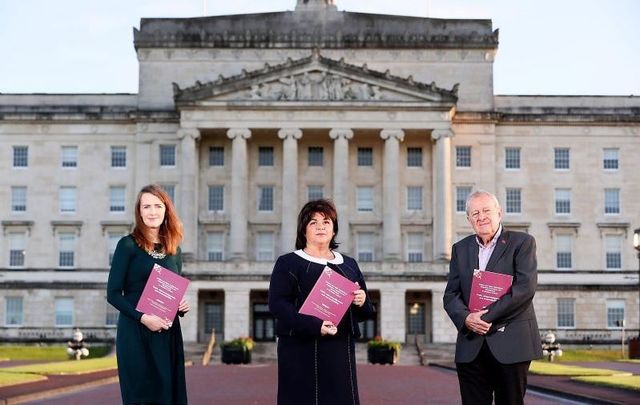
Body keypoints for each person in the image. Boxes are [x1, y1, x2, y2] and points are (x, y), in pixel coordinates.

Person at [269, 199, 376, 405]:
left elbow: (366, 312)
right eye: (313, 222)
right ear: (303, 231)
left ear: (334, 230)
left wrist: (361, 301)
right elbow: (278, 304)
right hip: (299, 350)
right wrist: (315, 325)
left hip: (339, 351)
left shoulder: (349, 264)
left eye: (326, 222)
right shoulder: (288, 263)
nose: (320, 226)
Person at [443, 190, 542, 405]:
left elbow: (524, 289)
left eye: (486, 210)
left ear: (499, 212)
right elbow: (451, 295)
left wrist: (483, 318)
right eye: (475, 213)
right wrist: (467, 319)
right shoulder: (460, 249)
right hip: (471, 346)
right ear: (468, 219)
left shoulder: (522, 243)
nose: (481, 217)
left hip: (512, 343)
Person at [107, 184, 190, 405]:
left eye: (157, 206)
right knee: (141, 396)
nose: (152, 212)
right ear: (139, 211)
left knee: (168, 395)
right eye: (146, 206)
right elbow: (113, 294)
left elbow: (170, 289)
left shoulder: (175, 250)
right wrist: (144, 318)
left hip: (166, 333)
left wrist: (180, 305)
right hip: (135, 331)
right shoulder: (127, 245)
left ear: (166, 210)